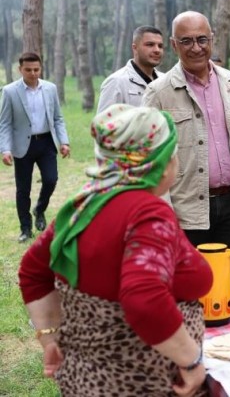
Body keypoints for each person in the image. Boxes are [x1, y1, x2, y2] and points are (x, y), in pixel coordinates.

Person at [18, 104, 212, 397]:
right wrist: (191, 360)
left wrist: (50, 339)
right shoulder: (148, 213)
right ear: (159, 163)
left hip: (84, 381)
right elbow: (144, 298)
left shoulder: (83, 206)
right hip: (145, 384)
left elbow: (32, 271)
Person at [143, 11, 230, 301]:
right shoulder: (158, 93)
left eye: (202, 39)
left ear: (212, 40)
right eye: (186, 41)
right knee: (188, 287)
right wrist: (162, 211)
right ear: (174, 45)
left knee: (228, 283)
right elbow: (149, 160)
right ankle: (192, 344)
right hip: (185, 209)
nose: (196, 47)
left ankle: (227, 342)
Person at [0, 52, 71, 243]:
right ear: (20, 69)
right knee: (23, 189)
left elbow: (58, 118)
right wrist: (5, 149)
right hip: (23, 145)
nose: (33, 73)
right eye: (28, 70)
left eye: (36, 69)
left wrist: (64, 142)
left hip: (46, 142)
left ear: (41, 68)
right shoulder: (10, 91)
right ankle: (25, 229)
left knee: (51, 179)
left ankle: (39, 209)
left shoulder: (50, 88)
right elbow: (4, 123)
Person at [96, 25, 164, 112]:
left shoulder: (165, 81)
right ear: (135, 48)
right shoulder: (116, 82)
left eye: (160, 46)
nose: (157, 50)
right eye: (150, 45)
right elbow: (103, 123)